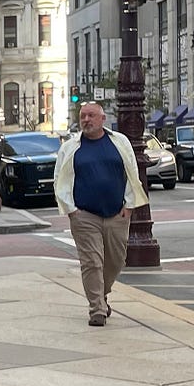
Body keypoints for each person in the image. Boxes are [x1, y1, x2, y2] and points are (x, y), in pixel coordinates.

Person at [55, 102, 148, 326]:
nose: (86, 120)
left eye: (91, 116)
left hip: (117, 213)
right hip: (84, 214)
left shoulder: (119, 142)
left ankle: (101, 293)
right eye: (83, 116)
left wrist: (129, 205)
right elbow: (60, 179)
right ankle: (96, 308)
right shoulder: (70, 147)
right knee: (92, 262)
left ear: (102, 119)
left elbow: (132, 173)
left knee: (116, 261)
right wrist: (72, 210)